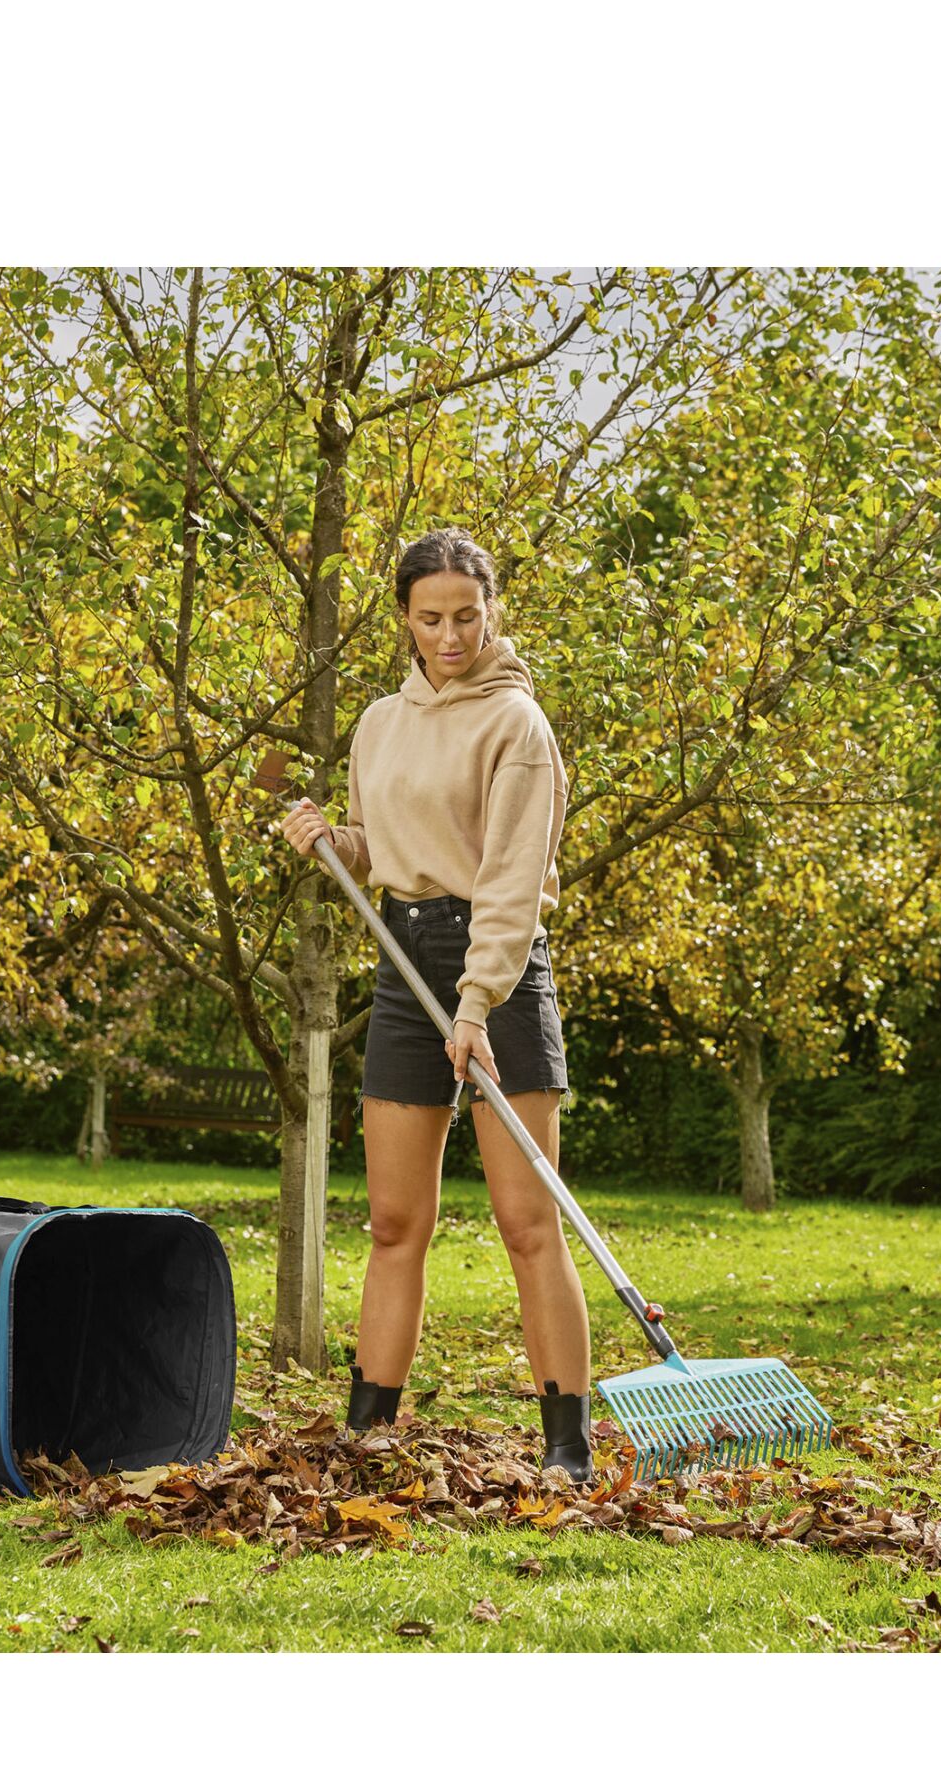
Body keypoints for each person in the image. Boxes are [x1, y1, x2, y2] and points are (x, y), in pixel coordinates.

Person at [277, 527, 592, 1481]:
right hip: (403, 960)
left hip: (497, 966)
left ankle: (567, 1446)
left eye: (465, 616)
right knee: (393, 1221)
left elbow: (511, 881)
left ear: (492, 611)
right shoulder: (381, 722)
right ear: (405, 620)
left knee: (526, 1221)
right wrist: (332, 839)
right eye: (430, 619)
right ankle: (367, 1433)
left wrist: (478, 1002)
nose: (449, 637)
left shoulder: (518, 726)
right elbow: (382, 845)